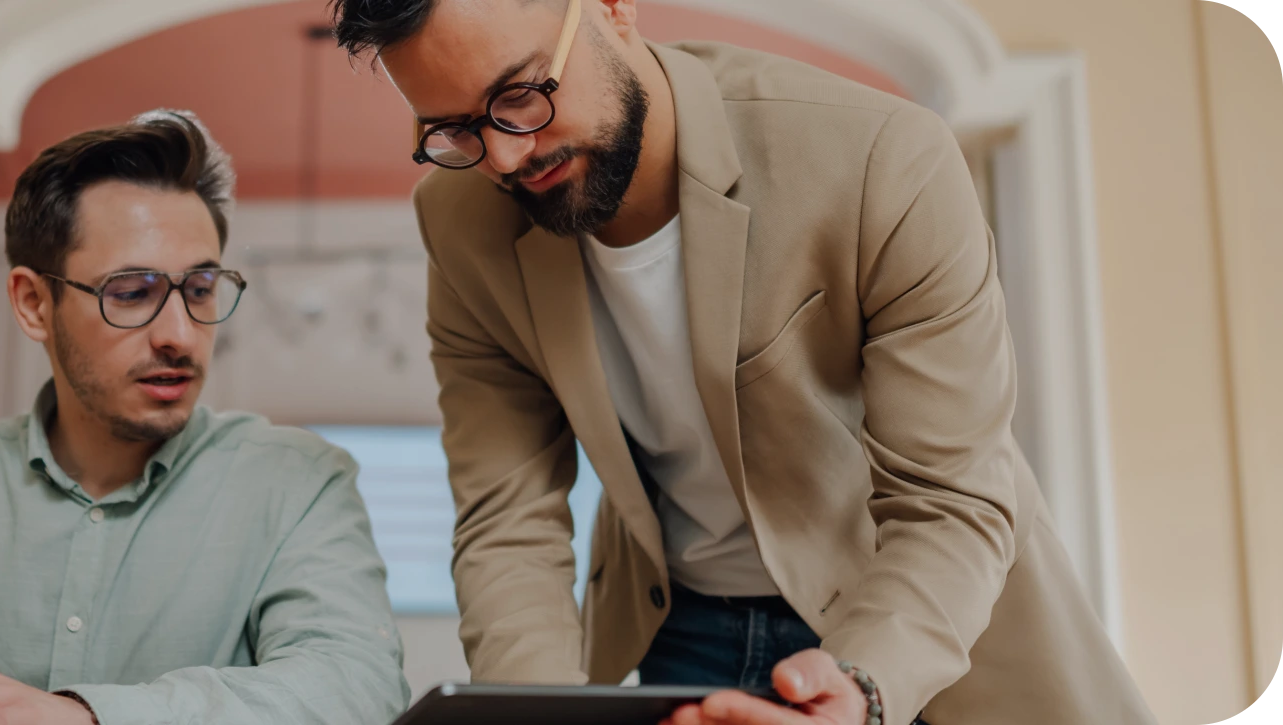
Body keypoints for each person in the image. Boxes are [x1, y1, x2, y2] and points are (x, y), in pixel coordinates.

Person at [329, 1, 1154, 724]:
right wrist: (535, 706)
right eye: (456, 129)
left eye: (519, 96)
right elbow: (508, 519)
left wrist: (863, 687)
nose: (504, 157)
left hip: (918, 628)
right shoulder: (461, 221)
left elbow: (951, 498)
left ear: (612, 6)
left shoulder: (880, 160)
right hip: (681, 630)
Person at [0, 109, 411, 725]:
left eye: (199, 289)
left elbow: (355, 690)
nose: (181, 336)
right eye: (131, 293)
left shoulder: (298, 482)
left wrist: (90, 717)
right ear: (34, 304)